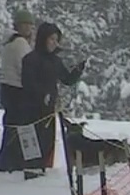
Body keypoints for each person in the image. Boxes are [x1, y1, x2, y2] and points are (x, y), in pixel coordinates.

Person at [20, 22, 85, 180]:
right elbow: (27, 82)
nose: (54, 43)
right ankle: (31, 171)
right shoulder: (31, 59)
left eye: (57, 40)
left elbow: (66, 79)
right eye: (52, 39)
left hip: (48, 110)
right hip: (31, 109)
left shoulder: (55, 61)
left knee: (47, 141)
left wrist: (77, 70)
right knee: (33, 143)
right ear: (43, 39)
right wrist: (42, 94)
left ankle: (43, 170)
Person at [0, 9, 37, 172]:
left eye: (30, 25)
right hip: (17, 89)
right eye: (26, 24)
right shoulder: (20, 43)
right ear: (18, 25)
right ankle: (13, 161)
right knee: (19, 126)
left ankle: (6, 160)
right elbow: (26, 67)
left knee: (10, 124)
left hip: (7, 87)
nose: (29, 28)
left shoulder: (9, 42)